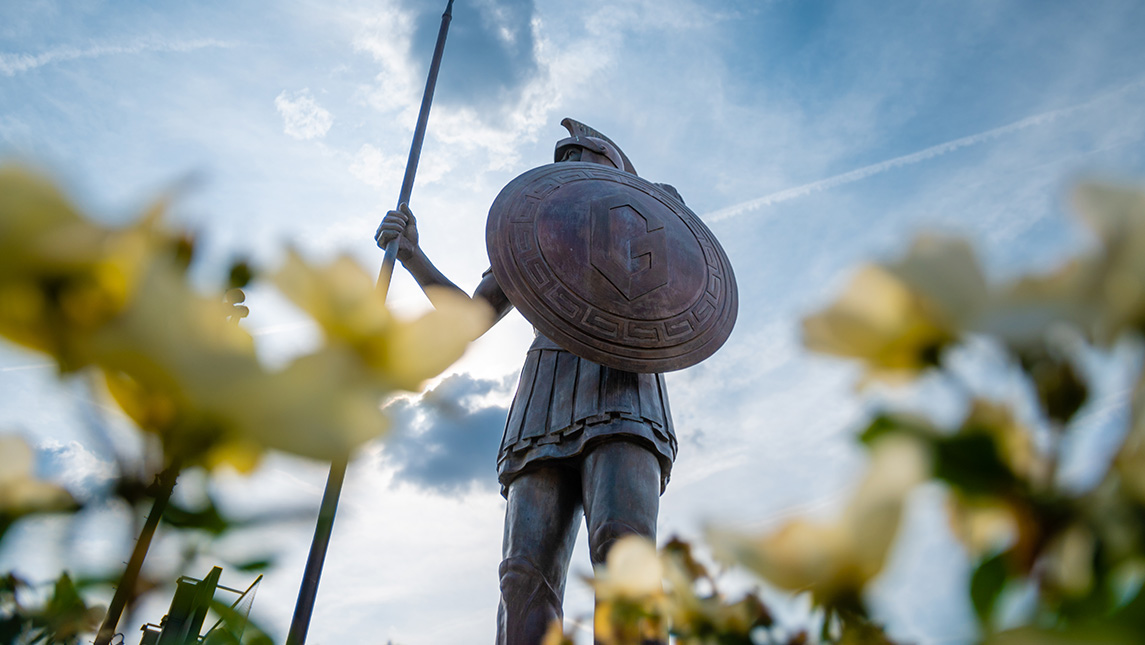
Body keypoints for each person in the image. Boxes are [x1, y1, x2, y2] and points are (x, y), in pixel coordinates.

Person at [376, 119, 678, 645]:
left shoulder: (648, 216)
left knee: (622, 547)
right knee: (522, 574)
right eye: (561, 163)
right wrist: (412, 255)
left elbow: (679, 285)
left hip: (622, 385)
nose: (568, 169)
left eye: (583, 159)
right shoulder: (538, 229)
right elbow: (470, 319)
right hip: (543, 397)